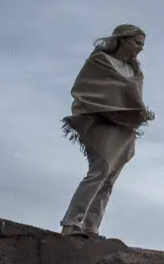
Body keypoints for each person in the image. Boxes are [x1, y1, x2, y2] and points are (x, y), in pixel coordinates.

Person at [59, 24, 154, 237]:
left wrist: (135, 114)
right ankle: (70, 223)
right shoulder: (100, 61)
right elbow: (86, 88)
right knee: (99, 170)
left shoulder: (134, 71)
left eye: (142, 44)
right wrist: (107, 107)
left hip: (123, 127)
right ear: (122, 39)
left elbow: (133, 100)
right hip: (99, 123)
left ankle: (91, 227)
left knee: (110, 178)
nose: (140, 48)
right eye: (136, 42)